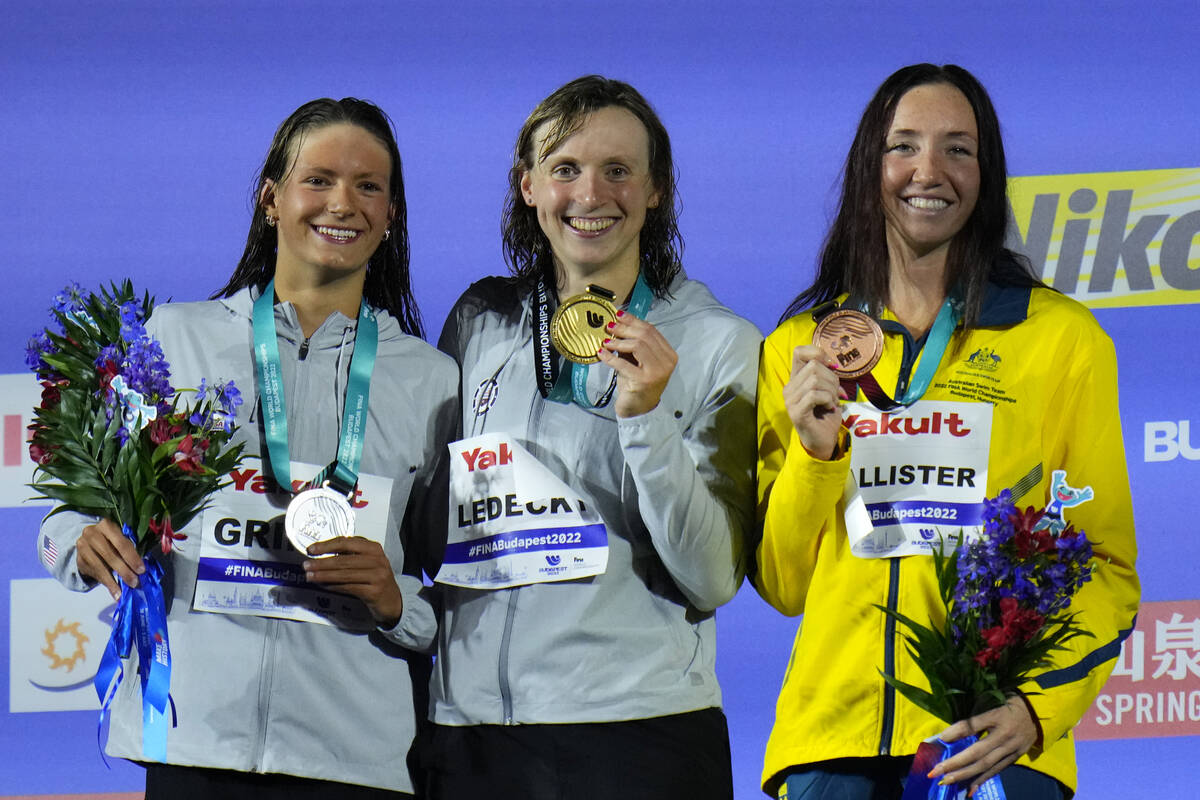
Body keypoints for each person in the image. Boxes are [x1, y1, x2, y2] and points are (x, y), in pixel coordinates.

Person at [37, 98, 457, 799]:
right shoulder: (173, 339)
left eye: (369, 186)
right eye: (318, 179)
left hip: (354, 755)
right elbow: (65, 517)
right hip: (195, 739)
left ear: (391, 216)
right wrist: (80, 542)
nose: (342, 203)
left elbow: (450, 584)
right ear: (272, 199)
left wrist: (396, 602)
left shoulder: (431, 378)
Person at [755, 64, 1139, 799]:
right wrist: (814, 453)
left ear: (987, 174)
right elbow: (781, 583)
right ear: (871, 166)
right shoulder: (801, 348)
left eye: (958, 149)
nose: (928, 171)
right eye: (904, 146)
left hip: (990, 742)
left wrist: (1035, 708)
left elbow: (1104, 564)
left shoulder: (1060, 339)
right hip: (831, 743)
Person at [425, 75, 761, 799]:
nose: (590, 194)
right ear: (528, 187)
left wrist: (646, 421)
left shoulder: (717, 343)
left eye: (618, 171)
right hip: (471, 734)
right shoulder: (478, 323)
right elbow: (436, 530)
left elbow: (712, 575)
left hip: (639, 732)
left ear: (656, 190)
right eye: (565, 169)